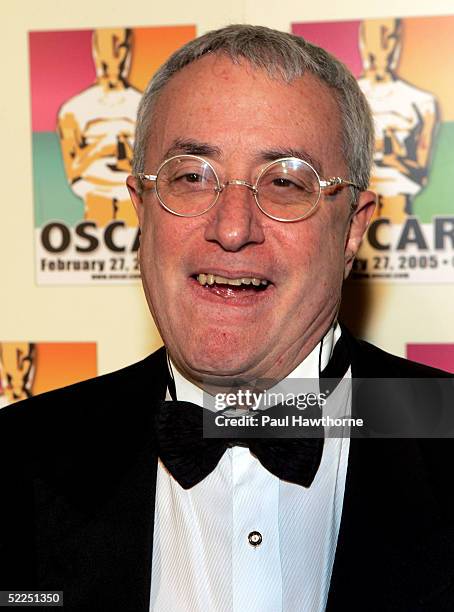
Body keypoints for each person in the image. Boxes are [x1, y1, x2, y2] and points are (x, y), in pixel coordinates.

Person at [1, 25, 453, 612]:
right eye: (192, 177)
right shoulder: (14, 461)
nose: (233, 228)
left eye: (286, 182)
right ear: (141, 209)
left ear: (355, 227)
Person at [58, 28, 142, 227]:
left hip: (133, 201)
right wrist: (101, 151)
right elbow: (72, 171)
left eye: (119, 47)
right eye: (106, 46)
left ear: (128, 51)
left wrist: (129, 156)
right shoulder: (73, 110)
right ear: (96, 50)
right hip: (94, 197)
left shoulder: (145, 106)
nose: (113, 56)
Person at [357, 18, 438, 223]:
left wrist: (393, 158)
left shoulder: (422, 102)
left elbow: (421, 172)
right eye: (375, 36)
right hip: (352, 214)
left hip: (399, 210)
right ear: (363, 41)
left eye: (389, 37)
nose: (382, 45)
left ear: (398, 41)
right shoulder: (341, 98)